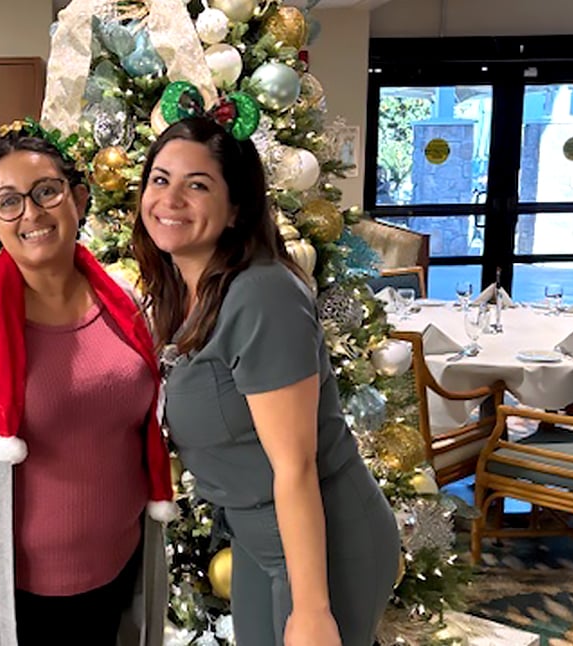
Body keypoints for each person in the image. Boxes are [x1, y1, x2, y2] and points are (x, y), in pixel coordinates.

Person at [0, 122, 175, 646]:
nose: (33, 214)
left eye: (46, 191)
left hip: (117, 573)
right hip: (15, 598)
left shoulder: (124, 304)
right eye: (9, 202)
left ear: (78, 198)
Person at [132, 116, 400, 646]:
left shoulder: (261, 296)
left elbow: (295, 466)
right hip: (260, 539)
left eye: (198, 185)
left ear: (236, 210)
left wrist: (312, 610)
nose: (170, 199)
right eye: (160, 180)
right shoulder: (180, 295)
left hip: (325, 543)